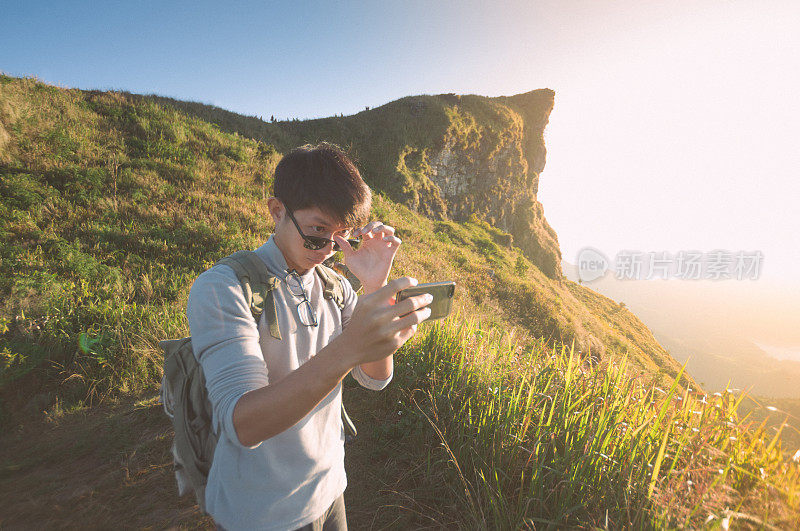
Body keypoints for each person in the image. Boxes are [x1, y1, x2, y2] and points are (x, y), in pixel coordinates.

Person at [186, 142, 432, 530]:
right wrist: (347, 349)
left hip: (330, 488)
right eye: (317, 233)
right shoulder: (223, 287)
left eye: (341, 237)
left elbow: (375, 377)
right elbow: (242, 425)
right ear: (277, 210)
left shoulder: (335, 286)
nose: (326, 251)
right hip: (260, 511)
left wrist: (374, 285)